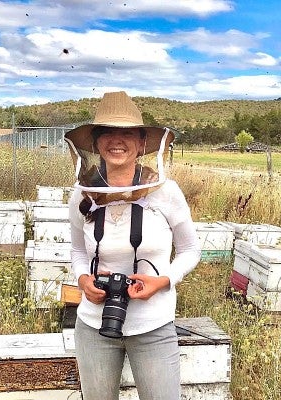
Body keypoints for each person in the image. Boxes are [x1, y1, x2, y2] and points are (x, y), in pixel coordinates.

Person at [64, 91, 201, 400]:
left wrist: (163, 280)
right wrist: (84, 280)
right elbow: (78, 252)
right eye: (108, 132)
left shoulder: (167, 193)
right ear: (96, 142)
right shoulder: (82, 195)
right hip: (93, 325)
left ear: (141, 143)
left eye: (127, 133)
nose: (117, 140)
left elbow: (191, 250)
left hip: (153, 325)